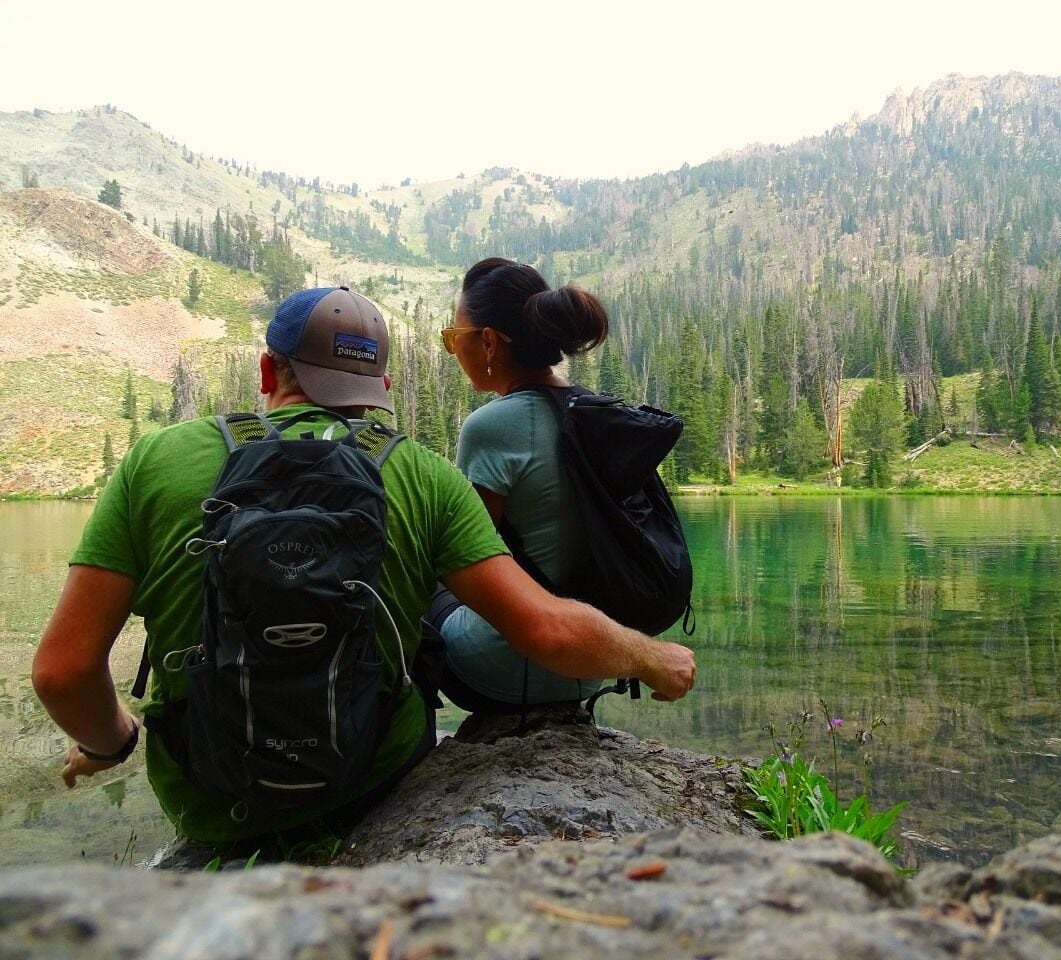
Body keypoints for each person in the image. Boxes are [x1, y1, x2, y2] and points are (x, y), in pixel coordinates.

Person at [32, 285, 696, 849]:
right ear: (379, 387)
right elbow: (546, 630)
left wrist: (112, 741)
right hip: (371, 791)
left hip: (213, 807)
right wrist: (649, 658)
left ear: (269, 374)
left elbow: (62, 672)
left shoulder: (158, 460)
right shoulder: (424, 475)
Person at [430, 258, 642, 711]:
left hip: (507, 671)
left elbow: (466, 562)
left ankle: (402, 755)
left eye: (453, 338)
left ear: (488, 342)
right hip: (591, 661)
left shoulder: (491, 426)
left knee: (419, 581)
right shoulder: (592, 412)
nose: (453, 350)